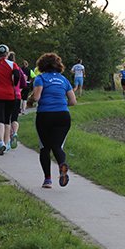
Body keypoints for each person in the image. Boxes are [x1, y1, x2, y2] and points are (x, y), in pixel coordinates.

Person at [32, 52, 76, 188]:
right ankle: (62, 165)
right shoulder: (64, 80)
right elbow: (73, 101)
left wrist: (30, 99)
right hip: (63, 115)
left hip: (45, 115)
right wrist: (61, 104)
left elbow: (36, 98)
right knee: (57, 145)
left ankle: (47, 180)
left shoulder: (40, 78)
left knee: (45, 147)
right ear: (58, 65)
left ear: (42, 65)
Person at [8, 52, 27, 149]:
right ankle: (14, 133)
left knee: (6, 119)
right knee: (14, 118)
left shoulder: (5, 68)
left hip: (6, 96)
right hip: (17, 96)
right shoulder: (19, 69)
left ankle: (7, 139)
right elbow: (24, 84)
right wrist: (18, 90)